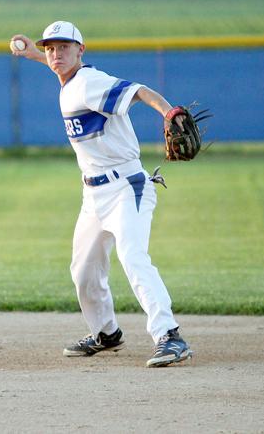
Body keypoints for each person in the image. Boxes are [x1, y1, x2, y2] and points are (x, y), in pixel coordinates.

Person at [10, 21, 192, 368]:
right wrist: (35, 55)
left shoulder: (91, 81)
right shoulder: (70, 82)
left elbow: (139, 90)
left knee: (133, 257)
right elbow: (62, 74)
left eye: (64, 47)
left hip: (126, 187)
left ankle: (170, 336)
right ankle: (107, 332)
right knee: (84, 270)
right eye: (50, 48)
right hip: (93, 196)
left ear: (81, 50)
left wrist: (169, 111)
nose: (56, 54)